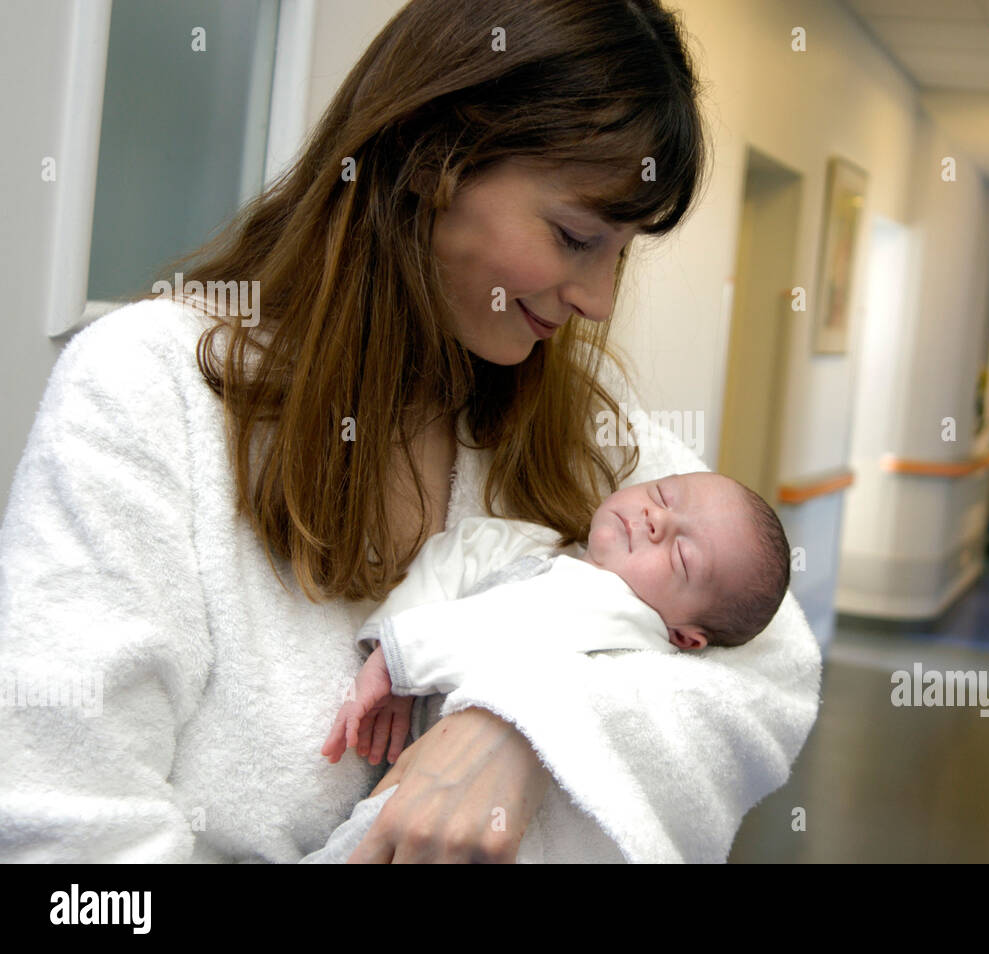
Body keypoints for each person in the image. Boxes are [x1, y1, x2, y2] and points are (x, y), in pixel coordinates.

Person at [0, 0, 821, 863]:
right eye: (577, 237)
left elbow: (769, 664)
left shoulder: (573, 421)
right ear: (434, 160)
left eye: (621, 252)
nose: (600, 300)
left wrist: (523, 728)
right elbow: (63, 831)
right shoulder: (148, 384)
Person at [300, 471, 791, 862]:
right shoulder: (545, 550)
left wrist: (395, 660)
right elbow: (467, 544)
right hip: (440, 781)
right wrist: (400, 640)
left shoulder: (618, 609)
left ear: (685, 636)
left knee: (373, 841)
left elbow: (509, 623)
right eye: (664, 493)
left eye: (681, 554)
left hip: (474, 814)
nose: (656, 519)